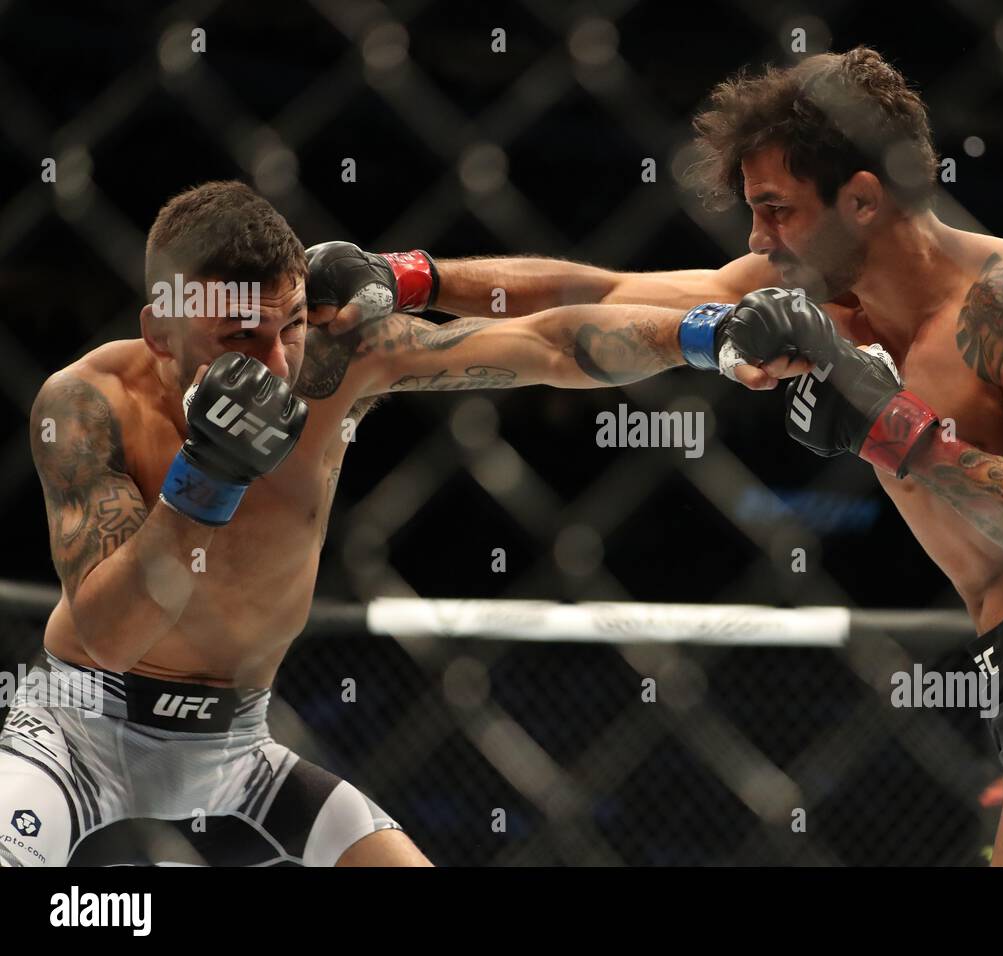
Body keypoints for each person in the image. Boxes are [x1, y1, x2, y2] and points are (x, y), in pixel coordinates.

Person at [373, 47, 1003, 865]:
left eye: (777, 209)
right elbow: (595, 293)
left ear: (865, 198)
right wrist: (412, 279)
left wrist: (899, 430)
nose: (757, 234)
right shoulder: (811, 298)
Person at [1, 179, 789, 867]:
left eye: (290, 327)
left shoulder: (335, 361)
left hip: (237, 751)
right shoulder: (85, 402)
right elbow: (109, 637)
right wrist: (205, 479)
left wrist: (705, 337)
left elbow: (545, 343)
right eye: (239, 337)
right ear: (160, 332)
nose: (275, 365)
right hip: (76, 735)